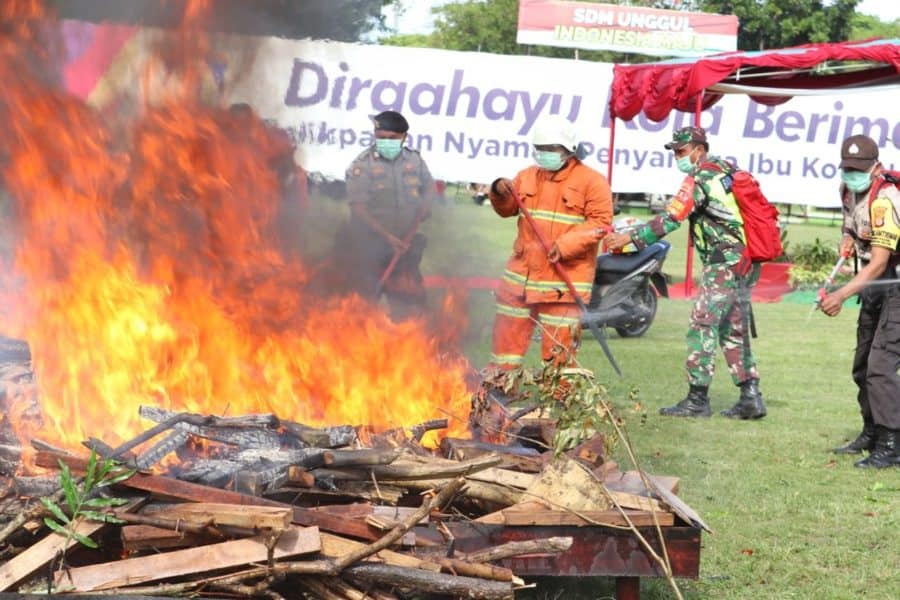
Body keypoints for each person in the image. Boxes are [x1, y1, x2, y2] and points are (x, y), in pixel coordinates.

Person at [605, 126, 765, 419]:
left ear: (699, 150)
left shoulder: (700, 177)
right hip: (746, 262)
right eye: (675, 152)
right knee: (733, 328)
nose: (677, 157)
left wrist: (630, 239)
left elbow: (671, 218)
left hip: (724, 263)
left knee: (702, 324)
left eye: (681, 151)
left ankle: (697, 400)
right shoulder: (726, 170)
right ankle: (750, 397)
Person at [484, 115, 612, 377]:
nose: (543, 155)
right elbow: (507, 209)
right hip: (520, 280)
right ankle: (499, 398)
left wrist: (565, 245)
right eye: (539, 150)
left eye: (550, 150)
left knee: (559, 355)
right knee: (504, 350)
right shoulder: (526, 177)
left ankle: (559, 408)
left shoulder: (593, 182)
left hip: (562, 283)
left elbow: (601, 223)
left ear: (568, 150)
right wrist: (498, 190)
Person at [821, 137, 900, 469]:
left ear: (876, 167)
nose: (853, 175)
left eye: (859, 170)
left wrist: (840, 294)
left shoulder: (885, 199)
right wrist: (846, 238)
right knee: (863, 363)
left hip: (894, 280)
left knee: (882, 365)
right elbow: (851, 227)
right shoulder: (848, 188)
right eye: (848, 169)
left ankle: (892, 443)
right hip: (875, 285)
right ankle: (871, 432)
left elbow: (880, 262)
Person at [340, 110, 435, 320]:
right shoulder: (362, 165)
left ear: (404, 137)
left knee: (411, 311)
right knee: (361, 310)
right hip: (370, 250)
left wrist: (426, 205)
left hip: (405, 248)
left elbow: (429, 187)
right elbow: (358, 207)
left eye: (392, 139)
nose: (386, 143)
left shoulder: (415, 161)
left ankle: (408, 346)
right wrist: (387, 237)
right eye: (381, 138)